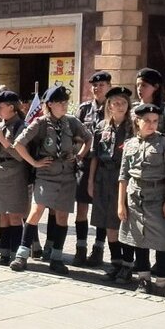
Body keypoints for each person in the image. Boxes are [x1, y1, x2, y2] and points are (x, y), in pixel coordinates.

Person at [10, 85, 91, 274]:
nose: (64, 106)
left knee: (62, 215)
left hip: (67, 176)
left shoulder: (71, 122)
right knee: (36, 211)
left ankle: (56, 256)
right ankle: (21, 255)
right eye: (60, 103)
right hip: (46, 174)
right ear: (50, 104)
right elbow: (18, 144)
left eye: (66, 102)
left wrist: (79, 156)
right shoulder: (40, 123)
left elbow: (88, 138)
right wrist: (35, 163)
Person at [118, 103, 165, 294]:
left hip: (158, 197)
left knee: (162, 241)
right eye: (147, 121)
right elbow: (123, 176)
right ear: (137, 121)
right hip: (135, 197)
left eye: (155, 121)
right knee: (138, 240)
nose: (152, 125)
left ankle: (162, 280)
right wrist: (121, 204)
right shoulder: (129, 144)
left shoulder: (164, 143)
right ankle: (143, 279)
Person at [88, 86, 133, 278]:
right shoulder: (101, 127)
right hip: (103, 179)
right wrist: (90, 181)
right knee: (108, 224)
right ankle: (115, 263)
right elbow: (95, 157)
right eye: (116, 103)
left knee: (124, 222)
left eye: (123, 102)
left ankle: (128, 265)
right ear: (109, 106)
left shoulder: (134, 128)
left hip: (124, 179)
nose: (120, 106)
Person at [0, 90, 30, 265]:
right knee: (2, 214)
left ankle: (14, 253)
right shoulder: (1, 125)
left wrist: (2, 139)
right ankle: (4, 252)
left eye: (0, 107)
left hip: (15, 173)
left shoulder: (22, 126)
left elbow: (20, 155)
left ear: (11, 107)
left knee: (14, 216)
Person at [72, 71, 111, 266]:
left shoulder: (114, 108)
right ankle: (80, 248)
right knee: (81, 207)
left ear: (109, 86)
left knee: (102, 209)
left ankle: (98, 249)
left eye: (102, 85)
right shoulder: (84, 108)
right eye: (94, 85)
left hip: (105, 164)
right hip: (85, 162)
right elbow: (74, 134)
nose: (97, 88)